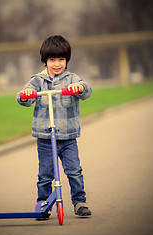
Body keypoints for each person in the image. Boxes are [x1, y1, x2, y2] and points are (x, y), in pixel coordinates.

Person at [16, 35, 92, 218]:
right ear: (45, 61)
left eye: (61, 59)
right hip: (45, 137)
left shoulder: (72, 79)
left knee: (74, 171)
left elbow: (86, 89)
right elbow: (22, 98)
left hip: (67, 137)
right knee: (45, 174)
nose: (57, 64)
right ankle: (43, 204)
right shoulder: (38, 81)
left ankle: (79, 201)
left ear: (66, 60)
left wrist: (80, 88)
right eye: (52, 59)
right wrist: (26, 94)